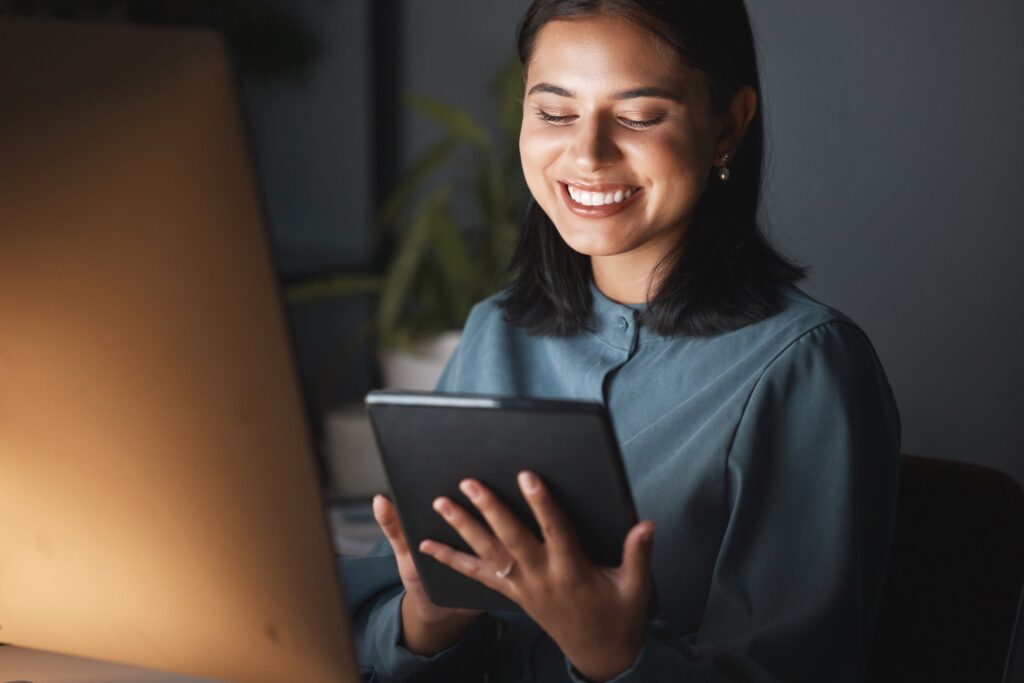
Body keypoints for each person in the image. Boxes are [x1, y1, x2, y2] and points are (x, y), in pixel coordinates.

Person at [341, 1, 900, 680]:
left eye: (638, 116)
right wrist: (426, 623)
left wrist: (614, 655)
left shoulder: (804, 367)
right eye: (555, 112)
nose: (587, 153)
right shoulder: (497, 332)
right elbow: (371, 635)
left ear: (729, 124)